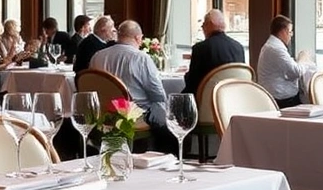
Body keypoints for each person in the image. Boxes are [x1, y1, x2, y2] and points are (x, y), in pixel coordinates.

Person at [90, 20, 179, 155]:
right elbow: (158, 95)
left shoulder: (97, 56)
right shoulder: (141, 58)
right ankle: (166, 160)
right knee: (166, 113)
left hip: (104, 114)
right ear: (138, 38)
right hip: (132, 115)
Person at [181, 9, 245, 95]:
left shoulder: (200, 48)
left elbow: (192, 82)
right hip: (234, 98)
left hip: (208, 100)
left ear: (210, 24)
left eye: (203, 25)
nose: (203, 28)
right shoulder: (239, 48)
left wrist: (186, 76)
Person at [257, 15, 312, 108]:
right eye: (290, 32)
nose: (291, 36)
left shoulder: (271, 46)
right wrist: (303, 59)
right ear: (283, 32)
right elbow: (296, 71)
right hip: (282, 101)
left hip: (279, 96)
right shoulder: (275, 49)